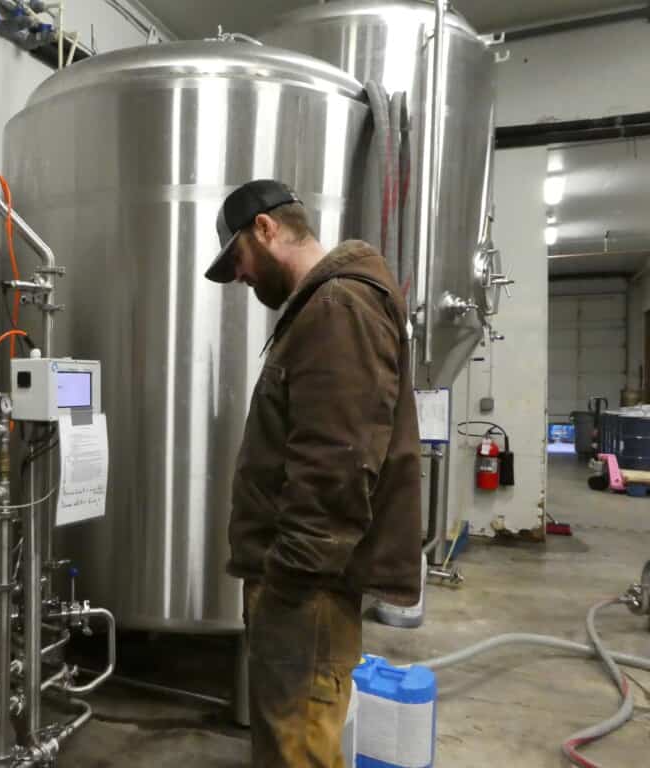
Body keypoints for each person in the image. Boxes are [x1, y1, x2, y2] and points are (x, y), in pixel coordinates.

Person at [205, 179, 422, 768]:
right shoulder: (323, 308)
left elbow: (336, 467)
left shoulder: (337, 307)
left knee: (296, 745)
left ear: (266, 229)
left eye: (238, 260)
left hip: (307, 594)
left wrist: (286, 585)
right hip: (304, 590)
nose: (241, 277)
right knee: (292, 741)